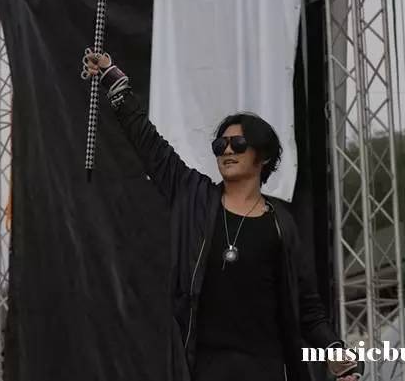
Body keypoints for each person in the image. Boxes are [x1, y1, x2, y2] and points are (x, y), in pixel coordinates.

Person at [82, 51, 362, 381]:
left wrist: (336, 354)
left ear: (263, 155)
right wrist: (113, 77)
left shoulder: (281, 224)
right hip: (205, 369)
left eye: (238, 143)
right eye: (220, 145)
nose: (227, 150)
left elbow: (307, 307)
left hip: (266, 371)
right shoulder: (194, 196)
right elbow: (150, 145)